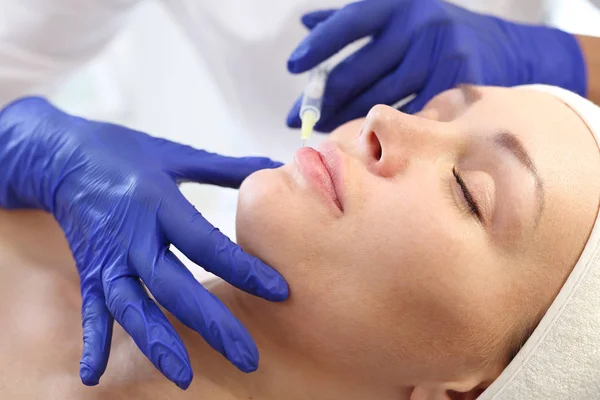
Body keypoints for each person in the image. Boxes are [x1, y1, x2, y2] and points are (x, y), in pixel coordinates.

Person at [2, 0, 600, 389]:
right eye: (434, 108)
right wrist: (21, 139)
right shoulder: (43, 236)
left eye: (469, 192)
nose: (386, 120)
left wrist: (570, 55)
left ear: (465, 386)